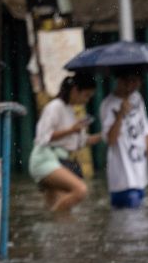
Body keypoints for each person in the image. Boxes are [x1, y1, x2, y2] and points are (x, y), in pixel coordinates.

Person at [29, 74, 100, 212]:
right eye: (86, 95)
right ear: (74, 90)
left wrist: (103, 136)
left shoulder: (70, 110)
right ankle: (56, 217)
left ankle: (57, 229)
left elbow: (82, 141)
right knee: (80, 190)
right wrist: (71, 130)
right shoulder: (55, 107)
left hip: (59, 160)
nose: (86, 100)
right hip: (45, 159)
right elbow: (43, 137)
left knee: (59, 208)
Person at [101, 67, 148, 208]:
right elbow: (110, 140)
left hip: (140, 174)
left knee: (141, 220)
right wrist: (120, 115)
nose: (133, 86)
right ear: (121, 81)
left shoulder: (137, 98)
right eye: (130, 81)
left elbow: (145, 132)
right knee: (131, 222)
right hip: (122, 178)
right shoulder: (108, 105)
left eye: (137, 82)